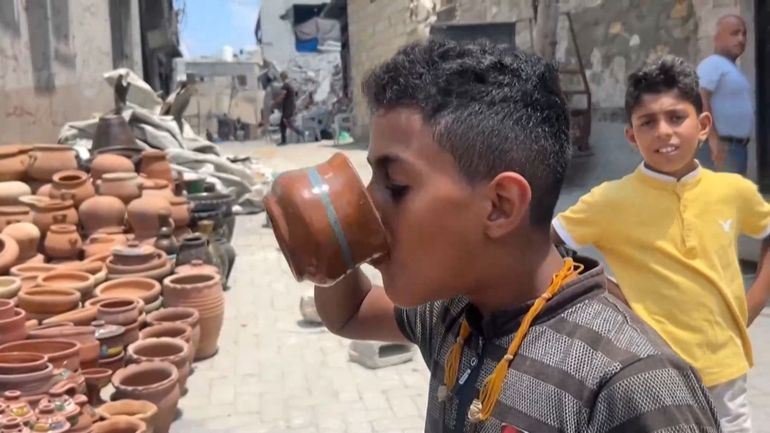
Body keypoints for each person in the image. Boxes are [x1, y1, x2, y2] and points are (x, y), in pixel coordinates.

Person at [314, 40, 720, 433]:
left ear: (500, 205)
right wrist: (328, 230)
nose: (367, 207)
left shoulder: (630, 384)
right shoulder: (458, 313)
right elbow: (351, 310)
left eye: (396, 184)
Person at [552, 55, 770, 433]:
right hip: (653, 372)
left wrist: (753, 303)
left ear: (703, 125)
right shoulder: (610, 201)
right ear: (631, 136)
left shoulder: (731, 191)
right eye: (647, 122)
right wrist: (604, 289)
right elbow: (546, 245)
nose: (663, 132)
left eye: (676, 117)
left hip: (725, 370)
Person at [697, 14, 754, 175]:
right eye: (734, 33)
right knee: (722, 197)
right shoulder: (713, 64)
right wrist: (712, 138)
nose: (741, 39)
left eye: (744, 34)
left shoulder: (731, 68)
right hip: (721, 147)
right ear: (717, 38)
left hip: (735, 147)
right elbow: (701, 98)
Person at [273, 72, 303, 145]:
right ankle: (284, 141)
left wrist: (275, 102)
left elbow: (283, 95)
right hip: (289, 107)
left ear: (282, 77)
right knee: (283, 124)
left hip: (288, 107)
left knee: (288, 123)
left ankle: (302, 133)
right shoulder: (289, 85)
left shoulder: (285, 85)